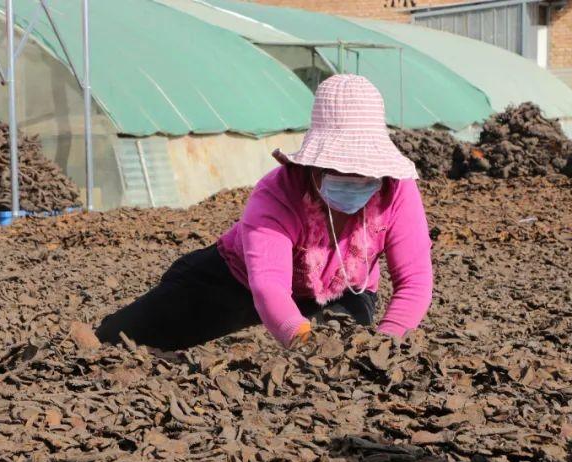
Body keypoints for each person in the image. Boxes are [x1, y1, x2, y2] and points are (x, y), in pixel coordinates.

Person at [96, 75, 433, 350]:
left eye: (365, 173)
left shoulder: (397, 191)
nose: (356, 180)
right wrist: (304, 343)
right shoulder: (277, 193)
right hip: (234, 280)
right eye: (340, 171)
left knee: (350, 356)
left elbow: (414, 282)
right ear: (313, 165)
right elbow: (268, 286)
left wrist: (387, 346)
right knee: (121, 339)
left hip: (344, 289)